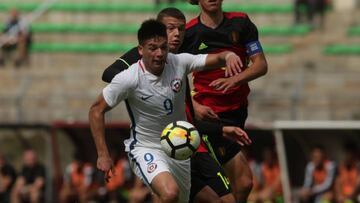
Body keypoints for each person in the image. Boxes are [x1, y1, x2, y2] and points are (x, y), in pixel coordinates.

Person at [101, 7, 251, 203]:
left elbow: (215, 60)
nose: (176, 34)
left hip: (190, 138)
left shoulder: (180, 59)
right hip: (163, 146)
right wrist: (142, 84)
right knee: (170, 193)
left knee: (239, 187)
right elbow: (108, 74)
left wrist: (229, 56)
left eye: (181, 29)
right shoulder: (145, 60)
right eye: (170, 29)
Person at [181, 0, 268, 202]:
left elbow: (261, 64)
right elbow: (173, 75)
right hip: (209, 116)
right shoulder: (189, 32)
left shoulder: (241, 23)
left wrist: (235, 80)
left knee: (234, 184)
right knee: (243, 181)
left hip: (238, 111)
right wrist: (194, 106)